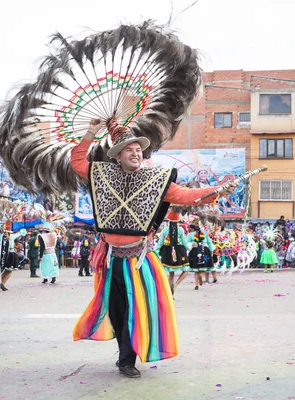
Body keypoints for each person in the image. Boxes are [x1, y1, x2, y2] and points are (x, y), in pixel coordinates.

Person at [72, 119, 236, 378]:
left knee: (136, 310)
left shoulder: (155, 179)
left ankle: (127, 359)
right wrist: (91, 132)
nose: (136, 153)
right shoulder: (102, 175)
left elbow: (184, 195)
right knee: (116, 310)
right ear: (117, 156)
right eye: (129, 150)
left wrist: (217, 191)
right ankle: (123, 353)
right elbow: (77, 162)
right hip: (109, 259)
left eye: (138, 150)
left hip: (138, 260)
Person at [154, 209, 190, 294]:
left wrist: (153, 250)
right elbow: (184, 242)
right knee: (186, 270)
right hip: (179, 251)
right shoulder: (180, 230)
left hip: (167, 252)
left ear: (168, 221)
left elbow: (160, 243)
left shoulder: (165, 230)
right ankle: (176, 284)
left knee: (171, 273)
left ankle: (170, 292)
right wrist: (189, 248)